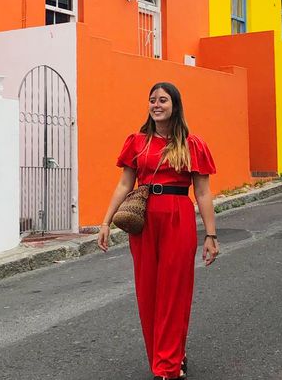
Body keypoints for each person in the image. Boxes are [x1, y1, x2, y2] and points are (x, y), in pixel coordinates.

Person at [97, 82, 219, 380]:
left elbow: (202, 192)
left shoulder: (193, 144)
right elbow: (125, 184)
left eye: (163, 100)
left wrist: (211, 235)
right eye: (152, 100)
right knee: (148, 292)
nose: (156, 105)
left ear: (175, 105)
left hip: (178, 217)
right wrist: (105, 221)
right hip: (144, 220)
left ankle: (166, 368)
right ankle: (168, 357)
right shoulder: (137, 142)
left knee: (174, 292)